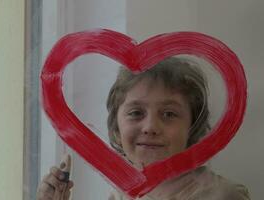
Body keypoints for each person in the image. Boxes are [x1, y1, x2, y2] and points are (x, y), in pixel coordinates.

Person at [37, 57, 250, 200]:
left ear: (192, 126)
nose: (150, 127)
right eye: (136, 113)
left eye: (169, 114)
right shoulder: (121, 194)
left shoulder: (224, 195)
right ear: (117, 129)